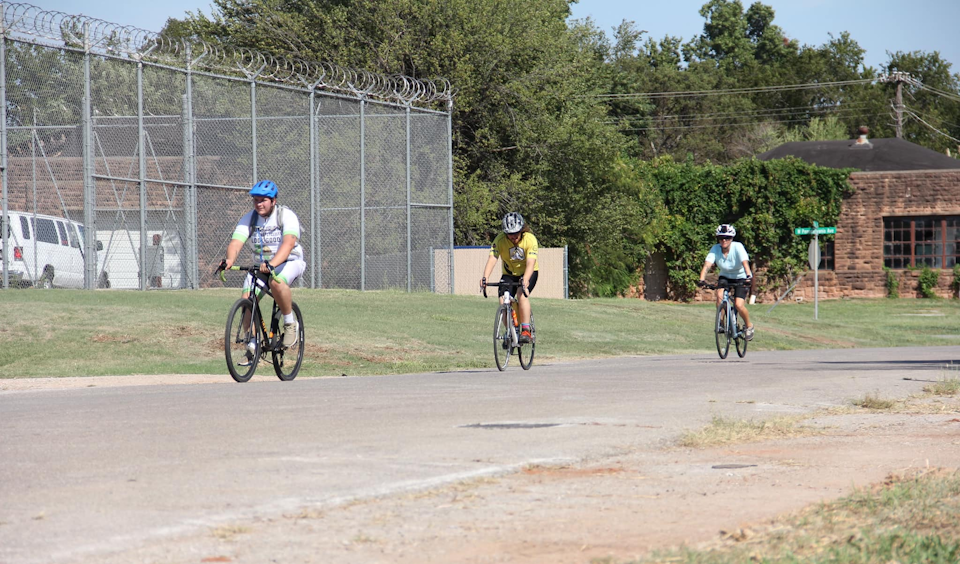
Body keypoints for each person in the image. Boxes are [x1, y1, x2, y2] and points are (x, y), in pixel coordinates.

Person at [223, 180, 306, 358]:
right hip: (262, 266)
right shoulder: (250, 218)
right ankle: (252, 342)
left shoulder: (286, 215)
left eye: (263, 200)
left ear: (273, 201)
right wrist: (229, 259)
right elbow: (236, 242)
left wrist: (272, 264)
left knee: (276, 283)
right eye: (255, 200)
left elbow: (288, 243)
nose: (258, 204)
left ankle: (290, 323)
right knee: (247, 299)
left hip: (289, 261)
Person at [481, 212, 539, 343]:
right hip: (509, 274)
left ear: (522, 230)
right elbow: (493, 258)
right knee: (503, 300)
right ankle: (510, 332)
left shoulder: (530, 239)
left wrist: (525, 280)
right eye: (510, 234)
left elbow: (531, 263)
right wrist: (485, 277)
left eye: (516, 234)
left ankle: (525, 330)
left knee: (521, 294)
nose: (513, 237)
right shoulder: (500, 240)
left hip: (528, 272)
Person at [698, 224, 755, 340]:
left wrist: (749, 276)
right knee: (719, 297)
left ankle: (749, 326)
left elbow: (745, 263)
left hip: (741, 277)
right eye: (721, 238)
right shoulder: (715, 249)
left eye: (727, 238)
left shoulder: (738, 247)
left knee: (739, 305)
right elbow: (707, 265)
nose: (724, 240)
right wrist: (701, 279)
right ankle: (721, 323)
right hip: (725, 276)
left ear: (732, 239)